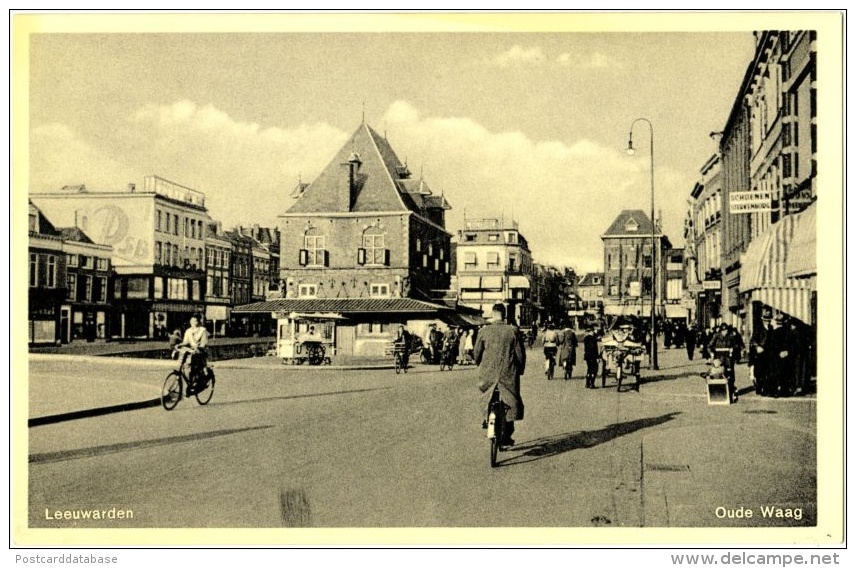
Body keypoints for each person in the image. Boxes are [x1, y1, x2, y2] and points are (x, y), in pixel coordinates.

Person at [475, 303, 526, 447]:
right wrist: (520, 370)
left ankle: (486, 418)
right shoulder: (512, 331)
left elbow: (476, 353)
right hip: (508, 374)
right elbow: (520, 355)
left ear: (492, 314)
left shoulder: (484, 331)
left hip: (487, 375)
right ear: (505, 315)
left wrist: (479, 363)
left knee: (486, 397)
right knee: (511, 401)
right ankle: (507, 434)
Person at [174, 314, 209, 393]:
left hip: (200, 352)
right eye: (191, 321)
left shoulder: (203, 330)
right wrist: (179, 345)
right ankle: (181, 373)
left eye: (195, 321)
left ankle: (194, 385)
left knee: (194, 369)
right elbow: (185, 342)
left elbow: (204, 343)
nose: (193, 322)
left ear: (198, 322)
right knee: (184, 360)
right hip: (191, 350)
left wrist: (199, 348)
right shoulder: (188, 331)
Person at [708, 323, 739, 403]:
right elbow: (709, 346)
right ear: (720, 331)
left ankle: (731, 390)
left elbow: (736, 345)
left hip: (728, 358)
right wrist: (712, 353)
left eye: (726, 331)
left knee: (730, 375)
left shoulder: (731, 336)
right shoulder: (716, 336)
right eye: (723, 331)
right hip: (719, 358)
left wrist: (732, 349)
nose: (724, 332)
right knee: (718, 374)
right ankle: (718, 391)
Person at [749, 309, 774, 396]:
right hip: (760, 353)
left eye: (769, 320)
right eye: (766, 320)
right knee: (760, 372)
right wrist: (757, 347)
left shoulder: (771, 328)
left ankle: (765, 388)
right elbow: (753, 340)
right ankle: (759, 387)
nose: (768, 321)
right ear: (763, 319)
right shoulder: (758, 328)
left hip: (768, 352)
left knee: (768, 371)